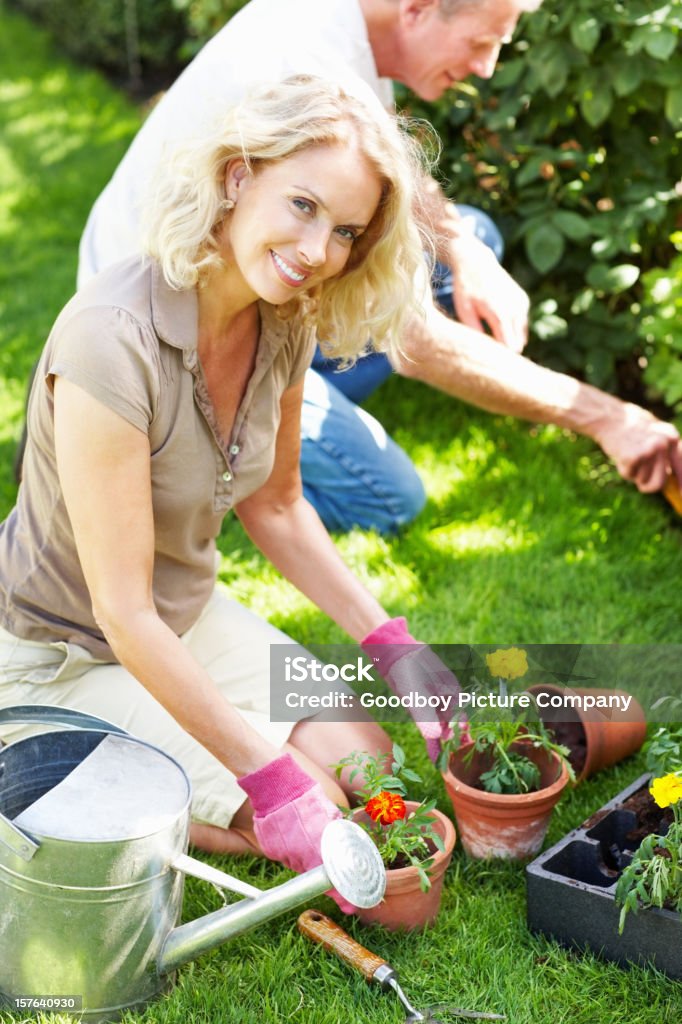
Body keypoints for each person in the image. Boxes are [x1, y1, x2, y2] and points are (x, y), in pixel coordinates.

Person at [0, 77, 457, 897]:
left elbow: (277, 506)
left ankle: (166, 782)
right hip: (62, 654)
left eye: (347, 229)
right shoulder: (111, 341)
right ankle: (65, 780)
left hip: (185, 612)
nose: (319, 251)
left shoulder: (284, 318)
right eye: (304, 205)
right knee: (308, 807)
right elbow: (121, 610)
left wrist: (395, 648)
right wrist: (268, 781)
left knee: (368, 757)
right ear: (239, 175)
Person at [72, 0, 682, 533]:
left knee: (472, 235)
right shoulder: (303, 60)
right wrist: (607, 417)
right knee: (389, 499)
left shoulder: (344, 27)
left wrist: (466, 251)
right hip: (168, 346)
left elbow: (391, 168)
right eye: (481, 43)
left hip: (253, 282)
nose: (485, 67)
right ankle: (191, 467)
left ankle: (288, 395)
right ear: (418, 8)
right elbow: (412, 335)